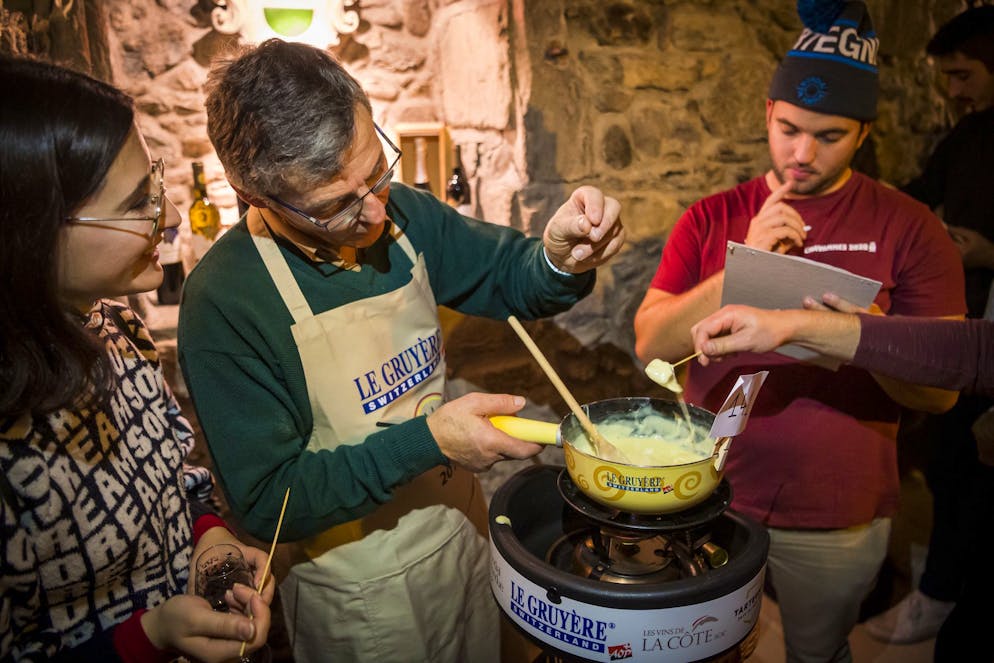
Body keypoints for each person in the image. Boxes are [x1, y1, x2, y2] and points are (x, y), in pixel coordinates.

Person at [177, 39, 624, 663]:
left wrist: (558, 253)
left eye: (378, 170)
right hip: (355, 593)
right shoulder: (227, 298)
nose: (375, 211)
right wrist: (431, 442)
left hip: (459, 537)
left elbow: (509, 276)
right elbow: (270, 500)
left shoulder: (402, 214)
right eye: (336, 206)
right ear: (255, 195)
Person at [632, 1, 965, 661]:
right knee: (708, 641)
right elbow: (650, 343)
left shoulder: (910, 226)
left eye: (830, 134)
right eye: (787, 128)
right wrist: (740, 271)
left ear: (864, 133)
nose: (802, 153)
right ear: (766, 113)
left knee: (815, 647)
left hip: (837, 510)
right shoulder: (711, 216)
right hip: (710, 492)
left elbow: (941, 394)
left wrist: (863, 334)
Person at [0, 57, 274, 662]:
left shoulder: (116, 326)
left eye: (157, 184)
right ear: (29, 229)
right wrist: (148, 639)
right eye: (136, 204)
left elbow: (172, 484)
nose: (171, 217)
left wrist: (212, 543)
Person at [690, 301, 994, 662]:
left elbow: (955, 373)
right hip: (722, 499)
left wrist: (794, 325)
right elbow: (977, 349)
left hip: (836, 512)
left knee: (818, 648)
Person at [860, 6, 994, 645]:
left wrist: (989, 253)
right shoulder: (967, 138)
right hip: (961, 328)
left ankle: (942, 594)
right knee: (949, 463)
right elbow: (914, 195)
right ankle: (942, 585)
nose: (952, 92)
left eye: (964, 74)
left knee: (965, 467)